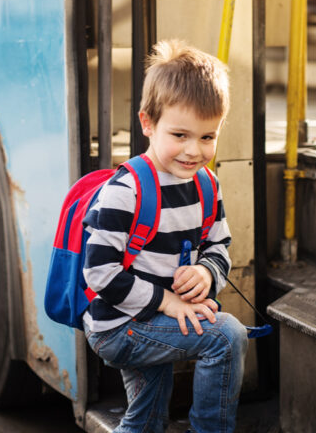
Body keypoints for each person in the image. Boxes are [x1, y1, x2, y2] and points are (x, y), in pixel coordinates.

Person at [82, 40, 248, 433]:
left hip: (152, 319)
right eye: (180, 135)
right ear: (147, 123)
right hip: (119, 325)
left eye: (208, 137)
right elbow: (99, 273)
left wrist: (208, 273)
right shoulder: (128, 190)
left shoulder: (206, 185)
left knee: (146, 423)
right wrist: (169, 302)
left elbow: (218, 245)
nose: (194, 151)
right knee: (225, 337)